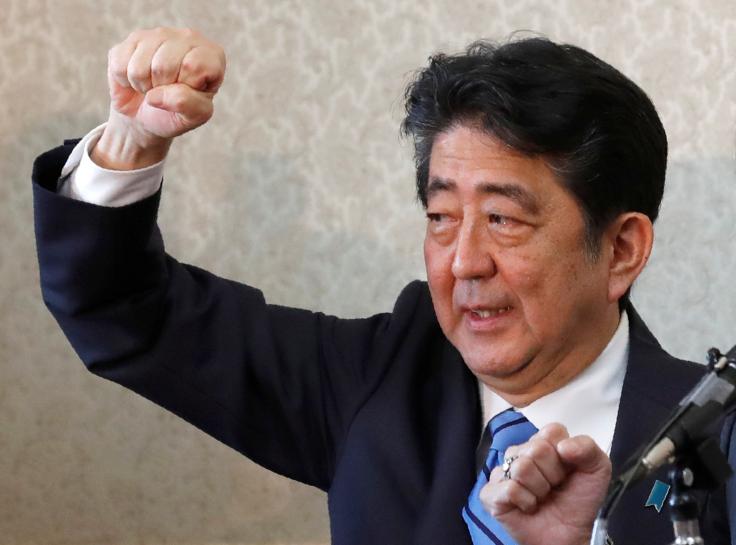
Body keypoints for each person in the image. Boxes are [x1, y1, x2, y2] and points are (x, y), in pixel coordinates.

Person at [32, 28, 735, 545]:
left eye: (502, 218)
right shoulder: (375, 378)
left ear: (620, 249)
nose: (463, 261)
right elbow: (123, 310)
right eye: (440, 216)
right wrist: (129, 142)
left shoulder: (716, 442)